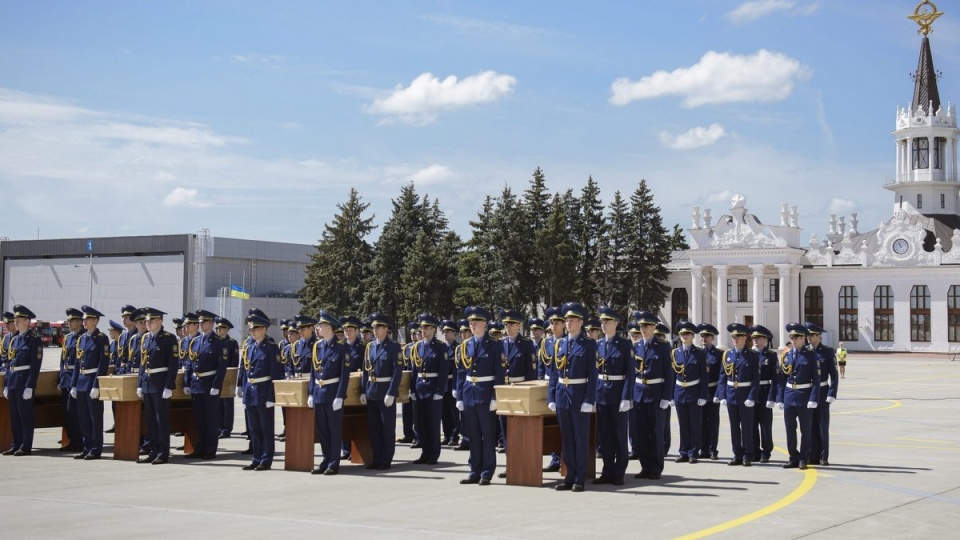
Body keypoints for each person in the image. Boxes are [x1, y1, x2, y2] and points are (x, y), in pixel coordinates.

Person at [548, 302, 598, 492]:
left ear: (581, 322)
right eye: (566, 320)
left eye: (572, 320)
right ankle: (569, 475)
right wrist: (551, 396)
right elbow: (554, 372)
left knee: (580, 438)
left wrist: (588, 399)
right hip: (562, 395)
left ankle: (580, 477)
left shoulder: (588, 344)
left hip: (579, 395)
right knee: (566, 438)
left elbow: (593, 375)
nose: (568, 323)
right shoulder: (560, 343)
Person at [455, 306, 505, 486]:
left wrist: (494, 397)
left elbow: (499, 373)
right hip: (469, 392)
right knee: (472, 435)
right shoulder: (466, 345)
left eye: (476, 322)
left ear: (484, 324)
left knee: (487, 435)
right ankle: (474, 470)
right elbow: (461, 372)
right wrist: (459, 396)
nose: (472, 325)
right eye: (470, 322)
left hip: (485, 393)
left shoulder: (494, 345)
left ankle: (487, 472)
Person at [631, 311, 674, 480]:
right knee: (641, 433)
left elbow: (669, 374)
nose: (643, 329)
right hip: (639, 394)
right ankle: (645, 466)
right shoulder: (636, 346)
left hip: (656, 394)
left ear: (654, 327)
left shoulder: (663, 347)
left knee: (655, 433)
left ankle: (656, 467)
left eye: (647, 326)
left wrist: (666, 397)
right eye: (641, 326)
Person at [594, 307, 634, 486]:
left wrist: (626, 397)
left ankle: (619, 471)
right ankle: (607, 470)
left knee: (619, 435)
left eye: (607, 322)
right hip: (601, 394)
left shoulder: (625, 345)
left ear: (616, 324)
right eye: (602, 322)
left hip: (618, 395)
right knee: (605, 436)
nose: (604, 325)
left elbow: (630, 373)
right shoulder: (598, 345)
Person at [240, 309, 284, 471]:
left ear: (264, 329)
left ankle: (266, 459)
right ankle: (256, 457)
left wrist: (272, 396)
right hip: (251, 392)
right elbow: (245, 370)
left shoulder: (271, 348)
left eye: (255, 329)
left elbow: (276, 374)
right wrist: (243, 389)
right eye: (250, 329)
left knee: (266, 428)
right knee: (254, 428)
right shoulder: (250, 347)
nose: (252, 332)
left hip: (264, 392)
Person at [308, 310, 350, 475]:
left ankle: (334, 463)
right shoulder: (317, 347)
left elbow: (344, 375)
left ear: (329, 328)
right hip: (319, 393)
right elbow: (313, 372)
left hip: (333, 394)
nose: (318, 328)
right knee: (323, 430)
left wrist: (340, 396)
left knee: (334, 430)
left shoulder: (341, 348)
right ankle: (325, 460)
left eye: (321, 326)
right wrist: (311, 393)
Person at [183, 310, 228, 460]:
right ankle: (200, 447)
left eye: (204, 322)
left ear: (211, 323)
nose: (201, 325)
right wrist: (187, 382)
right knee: (199, 420)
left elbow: (221, 367)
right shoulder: (195, 341)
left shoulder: (218, 342)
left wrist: (216, 385)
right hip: (196, 384)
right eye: (200, 322)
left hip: (209, 385)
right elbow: (190, 363)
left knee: (211, 420)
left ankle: (210, 449)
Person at [361, 313, 403, 470]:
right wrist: (363, 391)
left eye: (378, 327)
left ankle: (386, 459)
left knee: (387, 428)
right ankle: (376, 457)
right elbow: (366, 371)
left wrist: (392, 392)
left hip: (385, 391)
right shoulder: (370, 347)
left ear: (386, 329)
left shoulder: (393, 347)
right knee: (374, 429)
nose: (375, 330)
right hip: (372, 391)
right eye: (374, 327)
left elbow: (397, 372)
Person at [136, 307, 178, 465]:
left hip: (160, 385)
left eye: (151, 320)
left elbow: (173, 364)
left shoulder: (168, 338)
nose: (148, 323)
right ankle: (153, 451)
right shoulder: (145, 338)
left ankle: (163, 452)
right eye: (146, 321)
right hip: (148, 383)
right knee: (150, 421)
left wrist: (169, 386)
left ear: (160, 321)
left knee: (161, 420)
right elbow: (142, 363)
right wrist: (140, 383)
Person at [714, 323, 760, 467]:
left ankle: (748, 454)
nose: (735, 339)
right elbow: (722, 377)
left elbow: (755, 380)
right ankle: (737, 454)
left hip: (745, 395)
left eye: (738, 336)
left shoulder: (752, 356)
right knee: (734, 427)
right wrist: (722, 395)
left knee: (746, 427)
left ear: (744, 338)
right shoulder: (727, 355)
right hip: (731, 395)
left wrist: (752, 397)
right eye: (734, 337)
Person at [776, 323, 821, 470]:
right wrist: (780, 398)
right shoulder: (786, 355)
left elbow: (816, 379)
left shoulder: (811, 356)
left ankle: (803, 458)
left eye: (796, 337)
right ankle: (793, 457)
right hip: (789, 397)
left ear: (803, 339)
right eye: (792, 337)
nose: (793, 340)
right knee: (790, 430)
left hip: (804, 397)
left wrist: (813, 398)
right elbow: (782, 379)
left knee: (805, 430)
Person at [70, 305, 110, 460]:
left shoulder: (101, 338)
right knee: (83, 418)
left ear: (95, 321)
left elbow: (103, 363)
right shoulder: (82, 339)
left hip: (92, 381)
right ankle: (86, 447)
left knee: (95, 418)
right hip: (81, 381)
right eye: (84, 319)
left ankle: (95, 448)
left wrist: (96, 385)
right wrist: (74, 384)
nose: (84, 321)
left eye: (87, 319)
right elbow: (77, 363)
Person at [496, 308, 535, 467]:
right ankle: (510, 463)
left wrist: (529, 391)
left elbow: (531, 372)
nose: (508, 327)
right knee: (505, 428)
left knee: (520, 429)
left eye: (511, 324)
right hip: (504, 389)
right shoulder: (500, 344)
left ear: (518, 325)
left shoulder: (526, 344)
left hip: (520, 389)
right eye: (506, 324)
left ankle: (523, 463)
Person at [410, 313, 450, 465]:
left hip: (433, 388)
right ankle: (424, 453)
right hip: (420, 388)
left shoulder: (440, 347)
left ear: (434, 329)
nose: (424, 330)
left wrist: (440, 391)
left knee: (433, 424)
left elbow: (443, 371)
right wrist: (412, 389)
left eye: (427, 327)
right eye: (422, 327)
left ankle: (433, 454)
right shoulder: (418, 347)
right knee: (421, 424)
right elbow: (414, 370)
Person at [3, 305, 42, 456]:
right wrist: (6, 384)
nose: (16, 322)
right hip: (13, 381)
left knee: (25, 415)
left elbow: (35, 366)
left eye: (18, 320)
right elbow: (9, 363)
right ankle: (16, 443)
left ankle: (26, 446)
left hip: (24, 381)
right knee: (14, 416)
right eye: (15, 320)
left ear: (27, 321)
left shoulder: (33, 340)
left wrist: (30, 386)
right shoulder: (15, 339)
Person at [672, 321, 708, 464]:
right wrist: (671, 396)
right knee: (683, 425)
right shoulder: (675, 353)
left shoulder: (699, 353)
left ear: (692, 336)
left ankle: (693, 452)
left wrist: (702, 395)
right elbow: (673, 375)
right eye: (682, 334)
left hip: (694, 391)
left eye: (687, 334)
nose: (684, 336)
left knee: (694, 424)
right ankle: (683, 452)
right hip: (680, 391)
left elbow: (704, 376)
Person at [805, 322, 839, 466]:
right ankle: (811, 454)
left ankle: (823, 456)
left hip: (822, 392)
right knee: (809, 425)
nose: (809, 338)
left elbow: (834, 375)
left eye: (812, 335)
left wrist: (832, 393)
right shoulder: (805, 351)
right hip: (807, 392)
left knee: (822, 425)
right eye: (808, 335)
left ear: (819, 337)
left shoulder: (827, 352)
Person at [538, 306, 564, 473]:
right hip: (547, 386)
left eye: (557, 323)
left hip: (562, 386)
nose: (553, 326)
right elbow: (541, 366)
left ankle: (564, 459)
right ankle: (554, 459)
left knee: (562, 424)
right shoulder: (545, 343)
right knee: (551, 424)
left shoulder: (567, 341)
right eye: (551, 323)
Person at [58, 307, 85, 452]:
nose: (70, 323)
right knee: (67, 413)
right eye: (68, 320)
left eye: (73, 320)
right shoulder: (68, 338)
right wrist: (60, 379)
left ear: (80, 322)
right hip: (66, 378)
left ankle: (79, 441)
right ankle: (72, 440)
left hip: (77, 379)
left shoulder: (83, 336)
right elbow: (62, 359)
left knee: (75, 413)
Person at [339, 314, 366, 460]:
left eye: (350, 330)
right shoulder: (340, 347)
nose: (347, 333)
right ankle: (345, 449)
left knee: (355, 420)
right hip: (343, 389)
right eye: (345, 330)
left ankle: (356, 451)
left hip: (355, 389)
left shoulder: (362, 348)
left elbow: (364, 369)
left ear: (356, 331)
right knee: (343, 419)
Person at [751, 325, 778, 463]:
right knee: (752, 424)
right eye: (754, 338)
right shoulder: (749, 354)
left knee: (765, 425)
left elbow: (775, 378)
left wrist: (772, 397)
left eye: (759, 338)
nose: (755, 340)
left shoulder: (771, 356)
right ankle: (755, 451)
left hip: (765, 392)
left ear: (765, 339)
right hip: (751, 394)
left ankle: (766, 451)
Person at [696, 323, 722, 460]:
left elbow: (721, 376)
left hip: (712, 391)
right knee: (701, 422)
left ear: (712, 338)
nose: (704, 339)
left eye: (707, 336)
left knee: (712, 422)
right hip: (700, 391)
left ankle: (713, 449)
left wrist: (718, 394)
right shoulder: (698, 353)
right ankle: (703, 449)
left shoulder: (719, 354)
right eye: (702, 336)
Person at [216, 317, 240, 439]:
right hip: (218, 376)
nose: (219, 330)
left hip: (228, 376)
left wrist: (232, 376)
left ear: (227, 330)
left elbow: (234, 361)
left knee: (227, 404)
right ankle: (219, 427)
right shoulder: (216, 342)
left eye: (221, 328)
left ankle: (226, 428)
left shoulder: (232, 343)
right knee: (218, 403)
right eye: (218, 328)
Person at [439, 319, 460, 448]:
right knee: (444, 411)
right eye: (444, 332)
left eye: (448, 332)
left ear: (454, 333)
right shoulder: (442, 348)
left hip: (453, 382)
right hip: (443, 383)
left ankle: (454, 435)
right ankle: (446, 435)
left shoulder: (458, 348)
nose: (445, 334)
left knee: (453, 412)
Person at [452, 318, 472, 451]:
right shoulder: (460, 349)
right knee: (463, 415)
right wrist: (456, 389)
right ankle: (465, 440)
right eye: (461, 332)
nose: (463, 335)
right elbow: (458, 372)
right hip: (464, 385)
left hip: (474, 384)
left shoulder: (473, 345)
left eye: (466, 332)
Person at [654, 322, 673, 456]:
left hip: (663, 390)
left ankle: (664, 446)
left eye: (660, 336)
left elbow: (670, 374)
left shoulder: (666, 348)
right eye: (656, 336)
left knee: (664, 423)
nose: (658, 338)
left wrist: (669, 395)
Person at [399, 322, 419, 446]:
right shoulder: (407, 348)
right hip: (408, 381)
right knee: (406, 411)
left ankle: (417, 435)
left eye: (415, 333)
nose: (412, 335)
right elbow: (405, 366)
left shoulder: (420, 347)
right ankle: (408, 434)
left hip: (417, 381)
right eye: (411, 333)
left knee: (416, 412)